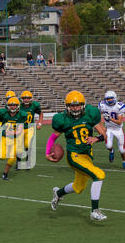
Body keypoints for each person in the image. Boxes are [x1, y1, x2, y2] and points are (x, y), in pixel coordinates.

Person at [46, 90, 107, 221]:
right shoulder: (62, 119)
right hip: (74, 156)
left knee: (78, 187)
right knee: (99, 175)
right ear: (67, 106)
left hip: (87, 155)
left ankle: (58, 193)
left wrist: (96, 139)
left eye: (78, 105)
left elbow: (104, 134)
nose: (75, 108)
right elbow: (52, 138)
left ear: (83, 105)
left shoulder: (90, 114)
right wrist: (47, 153)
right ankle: (95, 211)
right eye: (72, 105)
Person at [0, 97, 28, 180]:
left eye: (14, 105)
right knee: (2, 157)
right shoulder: (3, 113)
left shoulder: (21, 115)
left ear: (18, 106)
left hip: (16, 139)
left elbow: (19, 131)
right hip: (5, 138)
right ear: (8, 105)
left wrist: (10, 133)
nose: (12, 107)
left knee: (12, 159)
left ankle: (5, 174)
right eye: (11, 105)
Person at [98, 91, 125, 169]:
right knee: (108, 145)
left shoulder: (119, 106)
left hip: (118, 129)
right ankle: (112, 151)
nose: (109, 100)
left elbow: (119, 122)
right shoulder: (102, 105)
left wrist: (110, 119)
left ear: (115, 98)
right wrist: (101, 126)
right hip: (109, 129)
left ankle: (124, 161)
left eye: (111, 98)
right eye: (108, 99)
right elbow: (98, 116)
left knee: (122, 150)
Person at [18, 90, 43, 170]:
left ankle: (28, 162)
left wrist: (39, 123)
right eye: (24, 98)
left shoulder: (34, 106)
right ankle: (18, 163)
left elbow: (40, 113)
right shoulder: (18, 105)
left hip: (30, 127)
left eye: (28, 98)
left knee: (28, 146)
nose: (26, 99)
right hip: (20, 127)